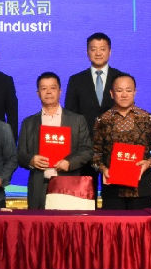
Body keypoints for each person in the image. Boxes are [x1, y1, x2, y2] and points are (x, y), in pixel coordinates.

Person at [17, 72, 93, 210]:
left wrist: (70, 163)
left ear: (60, 91)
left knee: (67, 223)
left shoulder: (77, 120)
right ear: (38, 93)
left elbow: (87, 150)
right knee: (38, 223)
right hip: (39, 186)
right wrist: (31, 160)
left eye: (53, 88)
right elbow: (20, 154)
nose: (48, 92)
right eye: (43, 88)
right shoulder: (29, 122)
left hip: (68, 185)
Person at [91, 74, 151, 210]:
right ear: (112, 93)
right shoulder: (102, 120)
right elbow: (94, 154)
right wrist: (103, 169)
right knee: (113, 224)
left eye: (128, 90)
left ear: (134, 92)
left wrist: (148, 163)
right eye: (119, 90)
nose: (124, 95)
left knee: (141, 224)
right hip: (112, 190)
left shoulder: (148, 119)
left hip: (141, 189)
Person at [64, 32, 126, 134]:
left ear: (109, 51)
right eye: (93, 49)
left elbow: (128, 109)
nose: (98, 53)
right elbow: (70, 114)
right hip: (85, 139)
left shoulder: (122, 78)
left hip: (116, 137)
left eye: (102, 49)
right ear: (87, 52)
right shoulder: (76, 80)